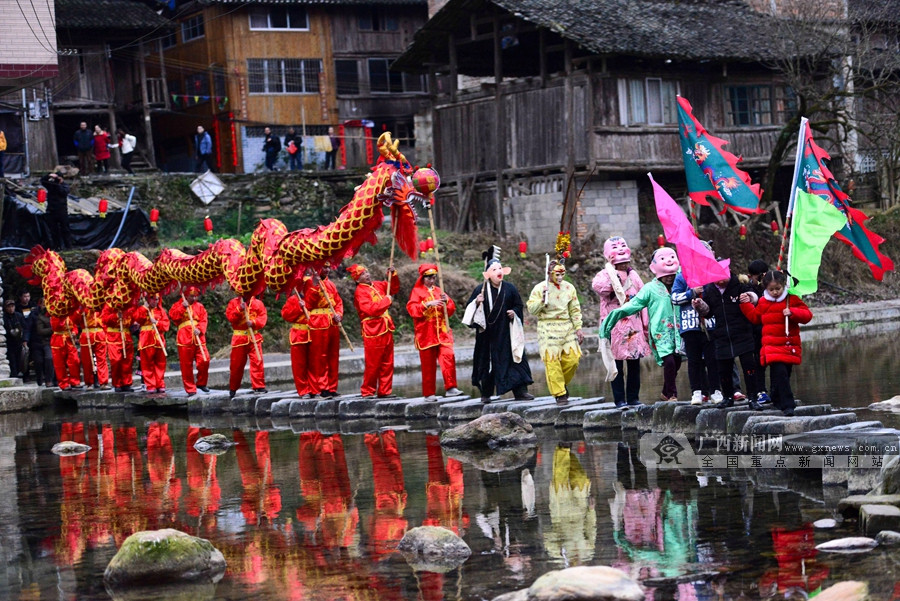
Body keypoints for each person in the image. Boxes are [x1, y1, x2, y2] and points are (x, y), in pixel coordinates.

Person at [601, 247, 682, 402]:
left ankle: (665, 391)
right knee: (670, 362)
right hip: (660, 332)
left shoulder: (681, 282)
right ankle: (672, 394)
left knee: (677, 361)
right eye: (667, 276)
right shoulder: (650, 289)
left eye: (672, 275)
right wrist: (614, 315)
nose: (670, 278)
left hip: (679, 331)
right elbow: (634, 304)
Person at [464, 247, 533, 404]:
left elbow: (518, 305)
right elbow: (469, 311)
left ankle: (520, 392)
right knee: (487, 363)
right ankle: (486, 393)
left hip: (506, 333)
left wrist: (514, 313)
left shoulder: (510, 289)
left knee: (515, 359)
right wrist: (476, 302)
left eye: (500, 268)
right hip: (487, 335)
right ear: (488, 274)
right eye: (494, 269)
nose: (499, 271)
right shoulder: (480, 290)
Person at [740, 271, 812, 416]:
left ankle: (777, 398)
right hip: (771, 346)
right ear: (766, 288)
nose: (774, 292)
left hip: (788, 344)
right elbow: (755, 318)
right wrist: (745, 304)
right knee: (780, 373)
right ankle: (788, 405)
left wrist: (793, 312)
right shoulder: (763, 302)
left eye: (777, 289)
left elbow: (807, 316)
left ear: (783, 285)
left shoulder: (791, 299)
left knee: (784, 374)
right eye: (771, 289)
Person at [592, 236, 649, 408]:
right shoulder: (604, 275)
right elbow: (600, 288)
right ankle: (619, 400)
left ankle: (633, 398)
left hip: (634, 327)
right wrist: (614, 277)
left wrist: (646, 324)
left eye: (626, 262)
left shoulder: (634, 275)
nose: (625, 265)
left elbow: (643, 296)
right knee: (615, 364)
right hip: (614, 326)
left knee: (634, 364)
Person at [693, 271, 761, 409]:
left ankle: (753, 397)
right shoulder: (710, 289)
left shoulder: (739, 285)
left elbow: (754, 297)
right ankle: (728, 397)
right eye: (716, 278)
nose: (720, 281)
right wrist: (699, 305)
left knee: (749, 367)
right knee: (724, 370)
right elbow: (708, 312)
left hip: (742, 332)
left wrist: (748, 297)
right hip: (721, 334)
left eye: (722, 278)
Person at [526, 261, 584, 405]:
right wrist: (541, 300)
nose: (560, 277)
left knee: (573, 359)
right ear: (549, 273)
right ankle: (560, 393)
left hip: (566, 325)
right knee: (552, 361)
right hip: (548, 326)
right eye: (557, 274)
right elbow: (531, 309)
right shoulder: (540, 288)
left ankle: (560, 383)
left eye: (562, 274)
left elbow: (575, 309)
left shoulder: (569, 287)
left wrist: (578, 328)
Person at [407, 263, 462, 401]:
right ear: (423, 278)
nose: (431, 280)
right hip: (426, 334)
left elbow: (450, 310)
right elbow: (412, 310)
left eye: (433, 278)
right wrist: (426, 305)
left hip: (443, 332)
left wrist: (447, 302)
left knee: (448, 356)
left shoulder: (439, 290)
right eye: (429, 278)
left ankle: (451, 387)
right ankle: (429, 393)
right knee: (428, 364)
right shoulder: (417, 292)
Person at [349, 264, 399, 398]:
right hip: (373, 329)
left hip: (386, 326)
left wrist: (392, 275)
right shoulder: (360, 292)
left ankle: (385, 390)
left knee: (388, 362)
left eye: (366, 272)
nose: (367, 275)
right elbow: (371, 309)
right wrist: (386, 301)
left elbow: (393, 288)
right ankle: (368, 391)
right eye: (362, 274)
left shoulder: (377, 285)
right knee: (373, 363)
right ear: (357, 280)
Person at [305, 266, 343, 397]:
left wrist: (339, 314)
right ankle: (322, 386)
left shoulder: (330, 284)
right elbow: (309, 304)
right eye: (324, 267)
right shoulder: (309, 282)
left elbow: (338, 302)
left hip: (332, 322)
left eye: (328, 267)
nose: (326, 270)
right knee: (319, 356)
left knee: (333, 355)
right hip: (318, 322)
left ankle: (332, 386)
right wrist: (315, 286)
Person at [169, 287, 210, 396]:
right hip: (184, 338)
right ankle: (190, 388)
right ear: (186, 295)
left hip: (198, 337)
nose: (194, 298)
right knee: (186, 365)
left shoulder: (200, 306)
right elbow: (173, 316)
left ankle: (201, 383)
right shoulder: (177, 305)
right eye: (192, 296)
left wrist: (200, 329)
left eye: (195, 296)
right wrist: (182, 307)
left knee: (204, 360)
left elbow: (204, 319)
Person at [225, 295, 267, 397]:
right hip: (239, 338)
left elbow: (263, 317)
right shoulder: (233, 303)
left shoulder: (258, 303)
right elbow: (230, 317)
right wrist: (239, 309)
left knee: (257, 361)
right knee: (236, 365)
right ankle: (233, 387)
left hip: (254, 337)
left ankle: (259, 386)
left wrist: (253, 322)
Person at [745, 259, 771, 405]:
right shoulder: (749, 290)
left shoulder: (773, 288)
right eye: (756, 277)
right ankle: (760, 391)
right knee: (758, 362)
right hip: (754, 331)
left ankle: (775, 390)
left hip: (769, 330)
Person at [281, 281, 313, 398]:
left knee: (313, 364)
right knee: (299, 365)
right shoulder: (293, 299)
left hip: (313, 333)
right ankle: (303, 390)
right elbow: (286, 315)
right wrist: (298, 307)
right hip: (299, 334)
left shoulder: (313, 297)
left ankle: (314, 388)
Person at [134, 294, 170, 394]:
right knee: (147, 364)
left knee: (160, 363)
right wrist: (144, 308)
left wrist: (157, 323)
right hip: (146, 340)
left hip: (159, 340)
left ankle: (160, 384)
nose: (155, 301)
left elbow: (166, 325)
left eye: (157, 299)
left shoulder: (161, 311)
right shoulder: (142, 309)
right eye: (153, 299)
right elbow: (137, 318)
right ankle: (150, 385)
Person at [100, 303, 137, 392]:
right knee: (115, 360)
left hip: (126, 336)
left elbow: (133, 317)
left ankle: (127, 383)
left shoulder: (129, 305)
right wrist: (116, 316)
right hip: (114, 336)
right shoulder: (108, 305)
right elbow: (104, 319)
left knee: (127, 360)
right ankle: (117, 383)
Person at [40, 171, 75, 250]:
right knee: (53, 230)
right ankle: (56, 246)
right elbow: (42, 181)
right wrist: (49, 175)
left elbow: (63, 192)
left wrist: (58, 183)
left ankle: (68, 246)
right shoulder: (51, 185)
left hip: (61, 210)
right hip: (51, 209)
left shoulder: (64, 185)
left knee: (65, 229)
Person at [77, 306, 109, 389]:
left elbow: (105, 320)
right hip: (87, 334)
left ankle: (103, 382)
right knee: (87, 361)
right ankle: (89, 383)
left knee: (102, 359)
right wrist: (80, 312)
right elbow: (75, 320)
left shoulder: (101, 305)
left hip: (100, 334)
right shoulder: (82, 306)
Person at [50, 311, 82, 390]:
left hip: (69, 340)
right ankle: (64, 383)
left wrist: (74, 332)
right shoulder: (55, 314)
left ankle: (75, 381)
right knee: (59, 364)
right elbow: (55, 326)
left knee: (75, 360)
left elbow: (74, 326)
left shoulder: (70, 314)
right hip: (58, 340)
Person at [27, 297, 54, 386]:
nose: (45, 306)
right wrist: (26, 340)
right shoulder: (34, 315)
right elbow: (32, 329)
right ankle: (39, 378)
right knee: (38, 361)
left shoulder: (52, 314)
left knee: (49, 359)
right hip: (36, 341)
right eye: (43, 304)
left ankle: (49, 379)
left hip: (48, 341)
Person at [3, 300, 25, 378]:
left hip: (19, 341)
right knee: (12, 360)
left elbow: (24, 327)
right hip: (9, 342)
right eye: (9, 307)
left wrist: (24, 339)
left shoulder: (19, 316)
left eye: (12, 306)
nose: (11, 308)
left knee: (20, 359)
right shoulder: (4, 318)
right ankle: (14, 375)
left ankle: (21, 374)